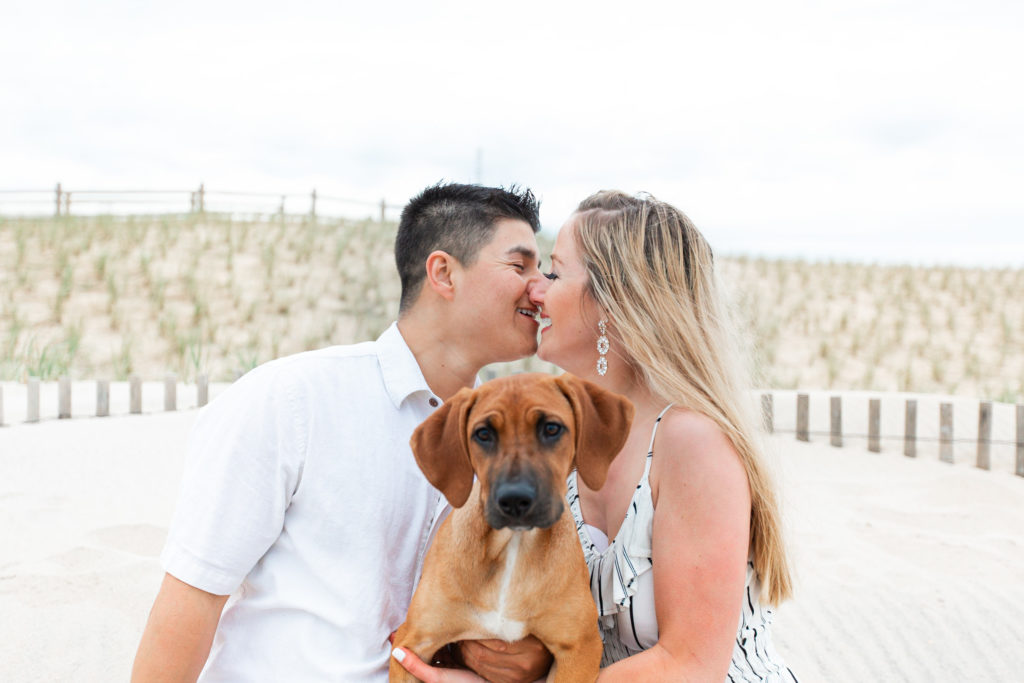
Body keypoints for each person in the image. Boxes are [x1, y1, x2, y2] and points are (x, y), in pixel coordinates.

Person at [131, 182, 553, 683]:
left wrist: (528, 662)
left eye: (544, 269)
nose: (540, 287)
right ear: (443, 273)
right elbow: (193, 597)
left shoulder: (519, 448)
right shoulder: (292, 399)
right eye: (520, 265)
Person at [395, 191, 796, 682]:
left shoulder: (692, 442)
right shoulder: (561, 443)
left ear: (612, 301)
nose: (535, 290)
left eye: (555, 273)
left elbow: (691, 667)